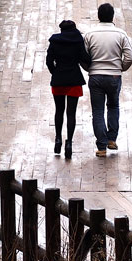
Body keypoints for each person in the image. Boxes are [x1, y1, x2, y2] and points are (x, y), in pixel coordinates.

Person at [84, 3, 132, 157]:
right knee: (113, 106)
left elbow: (83, 57)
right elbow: (130, 57)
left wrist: (90, 69)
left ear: (98, 16)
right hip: (114, 76)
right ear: (113, 16)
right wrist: (121, 68)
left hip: (96, 77)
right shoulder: (121, 34)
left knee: (98, 111)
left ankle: (101, 147)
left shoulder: (89, 34)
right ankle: (112, 139)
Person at [46, 19, 91, 159]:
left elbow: (48, 61)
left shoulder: (54, 41)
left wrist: (55, 72)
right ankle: (69, 143)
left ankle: (58, 138)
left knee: (58, 110)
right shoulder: (78, 41)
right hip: (74, 80)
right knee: (71, 113)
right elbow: (86, 59)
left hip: (58, 79)